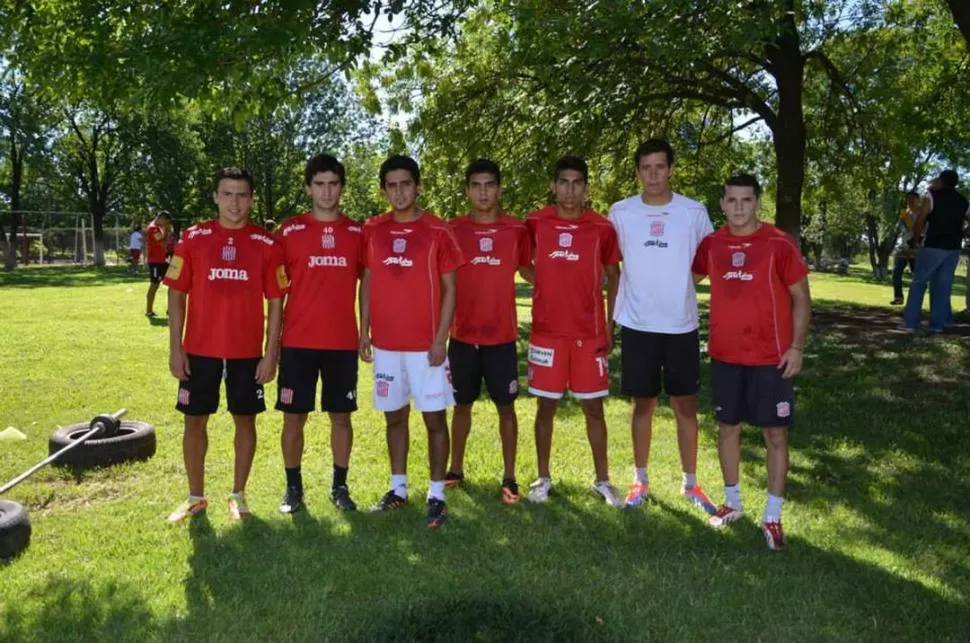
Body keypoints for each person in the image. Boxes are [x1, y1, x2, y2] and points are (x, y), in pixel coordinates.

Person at [692, 174, 811, 551]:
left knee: (775, 434)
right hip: (727, 355)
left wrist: (797, 347)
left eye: (746, 199)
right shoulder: (711, 244)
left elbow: (801, 298)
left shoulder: (778, 244)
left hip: (771, 358)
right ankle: (733, 503)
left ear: (757, 202)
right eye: (732, 200)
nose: (739, 207)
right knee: (728, 428)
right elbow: (683, 280)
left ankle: (772, 517)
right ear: (722, 204)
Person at [163, 167, 287, 522]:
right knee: (194, 421)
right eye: (228, 194)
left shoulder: (267, 244)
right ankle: (195, 496)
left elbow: (276, 302)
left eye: (242, 195)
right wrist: (176, 347)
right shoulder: (192, 238)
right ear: (216, 196)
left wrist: (270, 353)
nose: (235, 202)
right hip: (199, 350)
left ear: (251, 198)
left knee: (244, 421)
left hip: (247, 353)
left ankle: (238, 494)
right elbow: (176, 295)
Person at [607, 139, 716, 514]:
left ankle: (691, 483)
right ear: (637, 171)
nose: (653, 175)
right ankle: (640, 478)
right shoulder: (620, 212)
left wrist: (678, 288)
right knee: (644, 404)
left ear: (671, 169)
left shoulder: (693, 211)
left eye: (659, 167)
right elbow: (611, 263)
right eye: (645, 168)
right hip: (638, 324)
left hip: (681, 325)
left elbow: (705, 262)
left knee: (685, 405)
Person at [359, 155, 464, 528]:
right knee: (394, 418)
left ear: (418, 186)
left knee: (434, 418)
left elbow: (451, 289)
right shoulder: (373, 229)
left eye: (406, 184)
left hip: (426, 347)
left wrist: (441, 339)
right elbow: (368, 281)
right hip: (387, 344)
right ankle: (398, 489)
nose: (399, 192)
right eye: (392, 185)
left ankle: (436, 495)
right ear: (384, 189)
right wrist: (364, 330)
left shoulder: (438, 230)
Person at [524, 156, 622, 507]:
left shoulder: (601, 227)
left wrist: (609, 325)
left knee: (593, 408)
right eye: (563, 182)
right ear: (553, 185)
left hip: (590, 333)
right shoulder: (535, 222)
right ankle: (542, 477)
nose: (569, 190)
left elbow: (614, 275)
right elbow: (522, 262)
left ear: (586, 187)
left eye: (577, 182)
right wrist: (543, 287)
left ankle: (603, 480)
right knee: (545, 406)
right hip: (547, 333)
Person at [274, 155, 362, 514]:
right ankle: (293, 488)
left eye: (333, 183)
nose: (327, 191)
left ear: (342, 187)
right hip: (297, 342)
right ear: (308, 187)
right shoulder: (289, 231)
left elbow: (369, 285)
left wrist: (366, 331)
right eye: (320, 184)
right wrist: (273, 343)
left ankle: (339, 487)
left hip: (341, 343)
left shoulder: (358, 233)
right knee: (294, 418)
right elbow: (276, 291)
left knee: (341, 417)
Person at [445, 159, 531, 504]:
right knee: (461, 405)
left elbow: (529, 269)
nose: (483, 192)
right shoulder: (452, 230)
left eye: (489, 185)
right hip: (462, 336)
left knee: (506, 408)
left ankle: (509, 476)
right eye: (476, 185)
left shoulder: (517, 230)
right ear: (467, 190)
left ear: (499, 188)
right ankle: (455, 469)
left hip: (502, 338)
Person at [904, 170, 970, 332]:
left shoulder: (931, 196)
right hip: (953, 248)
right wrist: (962, 234)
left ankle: (910, 324)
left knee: (919, 283)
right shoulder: (964, 201)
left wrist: (915, 239)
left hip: (933, 245)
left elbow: (921, 220)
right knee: (943, 287)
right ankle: (937, 326)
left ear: (941, 180)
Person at [890, 192, 921, 305]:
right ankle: (898, 297)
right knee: (896, 273)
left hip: (917, 248)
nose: (910, 201)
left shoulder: (923, 213)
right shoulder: (904, 213)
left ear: (918, 199)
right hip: (903, 247)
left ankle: (915, 300)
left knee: (916, 275)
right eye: (908, 199)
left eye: (913, 198)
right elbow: (899, 227)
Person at [145, 212, 172, 317]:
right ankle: (149, 311)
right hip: (155, 262)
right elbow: (163, 244)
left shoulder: (156, 227)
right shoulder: (153, 229)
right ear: (161, 218)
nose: (166, 224)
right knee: (154, 285)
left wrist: (165, 230)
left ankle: (170, 309)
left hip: (162, 261)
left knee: (172, 284)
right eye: (166, 221)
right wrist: (166, 230)